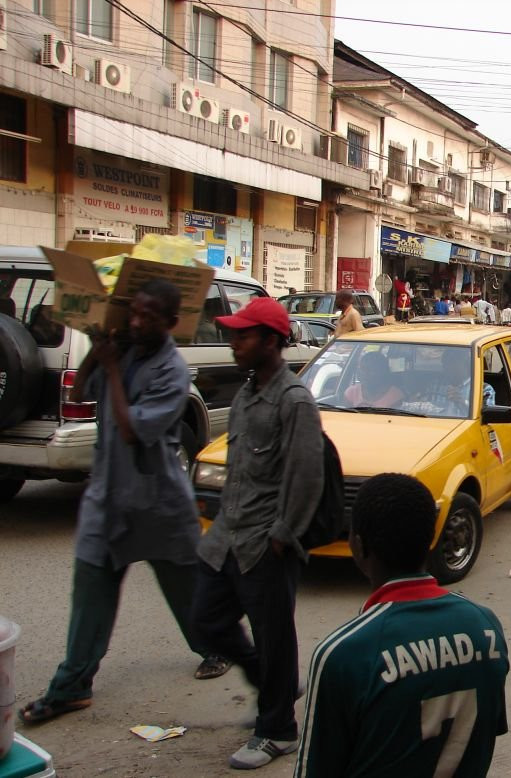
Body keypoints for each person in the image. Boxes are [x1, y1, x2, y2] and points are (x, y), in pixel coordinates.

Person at [18, 280, 229, 726]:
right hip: (108, 498)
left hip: (158, 503)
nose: (137, 322)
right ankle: (71, 686)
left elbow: (134, 430)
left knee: (185, 589)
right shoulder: (125, 349)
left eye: (148, 317)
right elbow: (78, 395)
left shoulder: (172, 370)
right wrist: (98, 347)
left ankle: (217, 647)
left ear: (171, 323)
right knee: (91, 593)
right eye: (134, 313)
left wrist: (112, 369)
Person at [294, 473, 509, 777]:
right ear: (432, 536)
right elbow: (488, 728)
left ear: (358, 545)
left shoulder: (344, 655)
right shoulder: (485, 627)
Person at [192, 297, 324, 770]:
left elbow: (307, 476)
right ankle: (272, 681)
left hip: (266, 542)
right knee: (204, 620)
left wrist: (283, 534)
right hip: (228, 534)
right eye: (232, 334)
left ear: (271, 341)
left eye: (243, 336)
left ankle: (277, 730)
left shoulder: (294, 401)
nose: (234, 343)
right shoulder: (247, 395)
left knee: (274, 638)